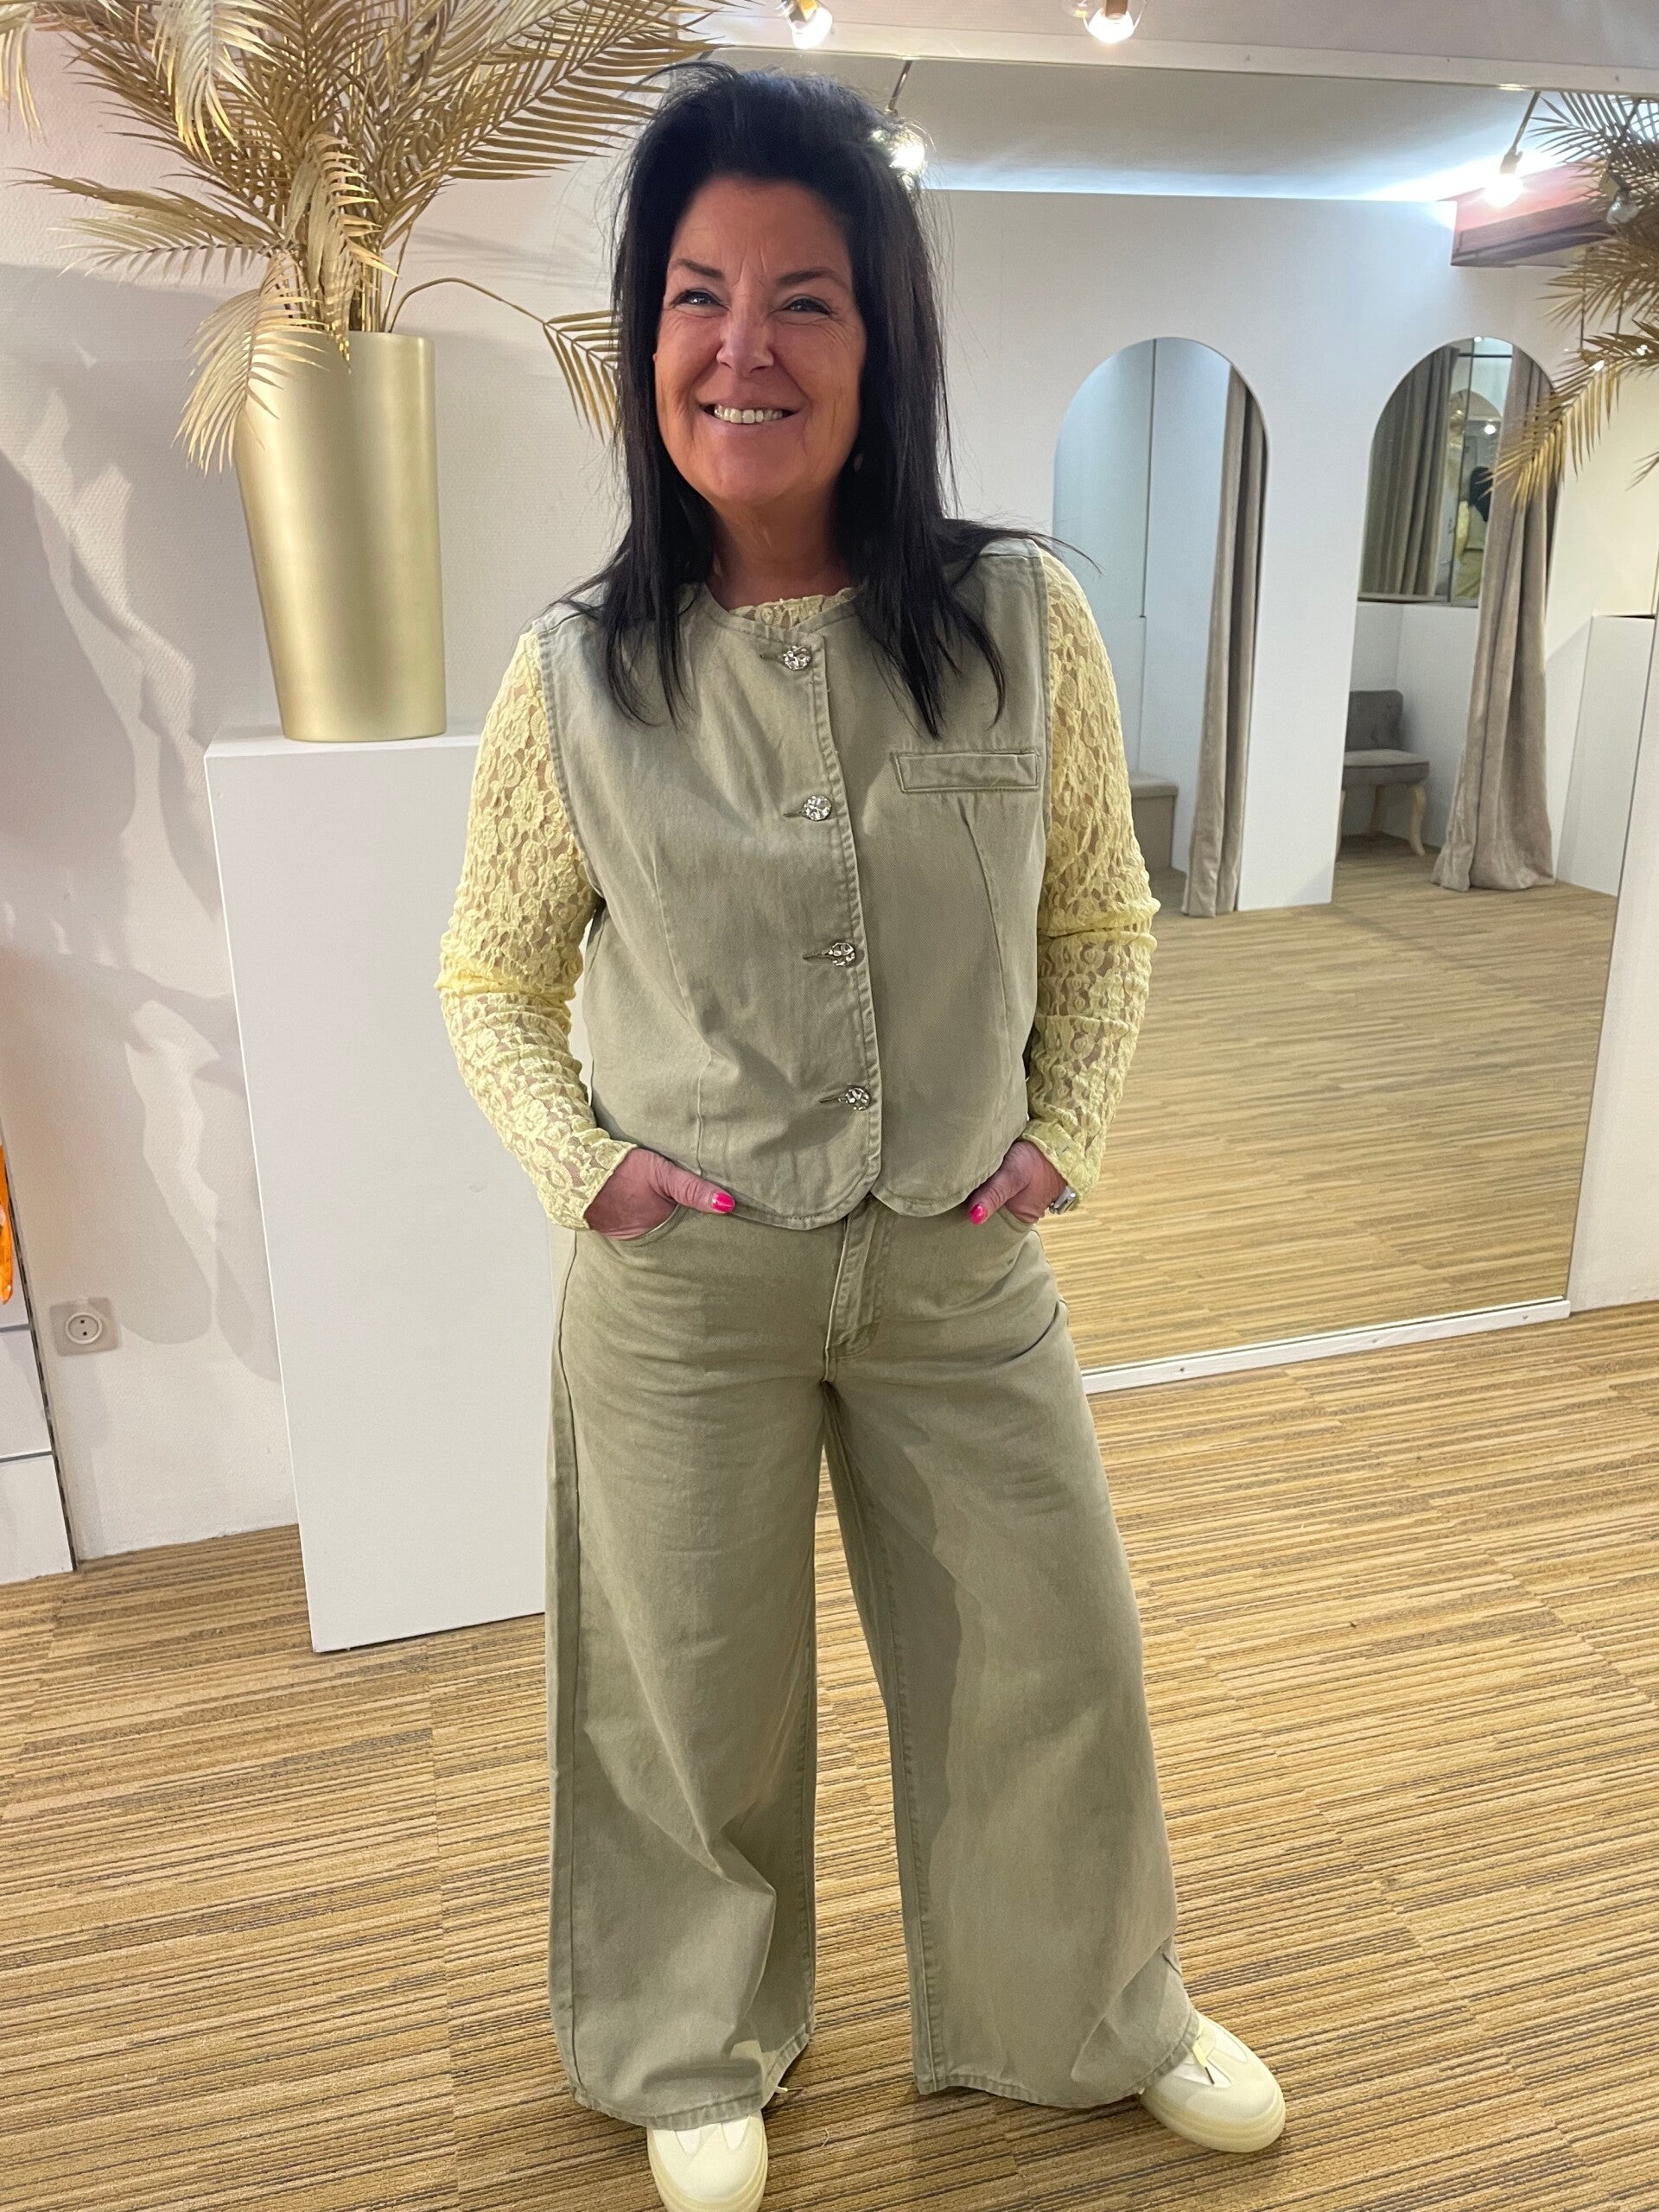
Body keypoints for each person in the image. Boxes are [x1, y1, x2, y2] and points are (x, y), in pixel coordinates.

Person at [435, 60, 1286, 2212]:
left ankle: (1089, 2007)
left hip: (958, 1265)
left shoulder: (1023, 628)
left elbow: (1098, 914)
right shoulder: (576, 677)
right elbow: (489, 978)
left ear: (882, 338)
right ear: (647, 339)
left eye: (803, 298)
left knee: (1049, 1652)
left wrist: (1062, 1128)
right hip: (685, 1278)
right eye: (698, 296)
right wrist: (587, 1168)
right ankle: (689, 2037)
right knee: (682, 1685)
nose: (745, 348)